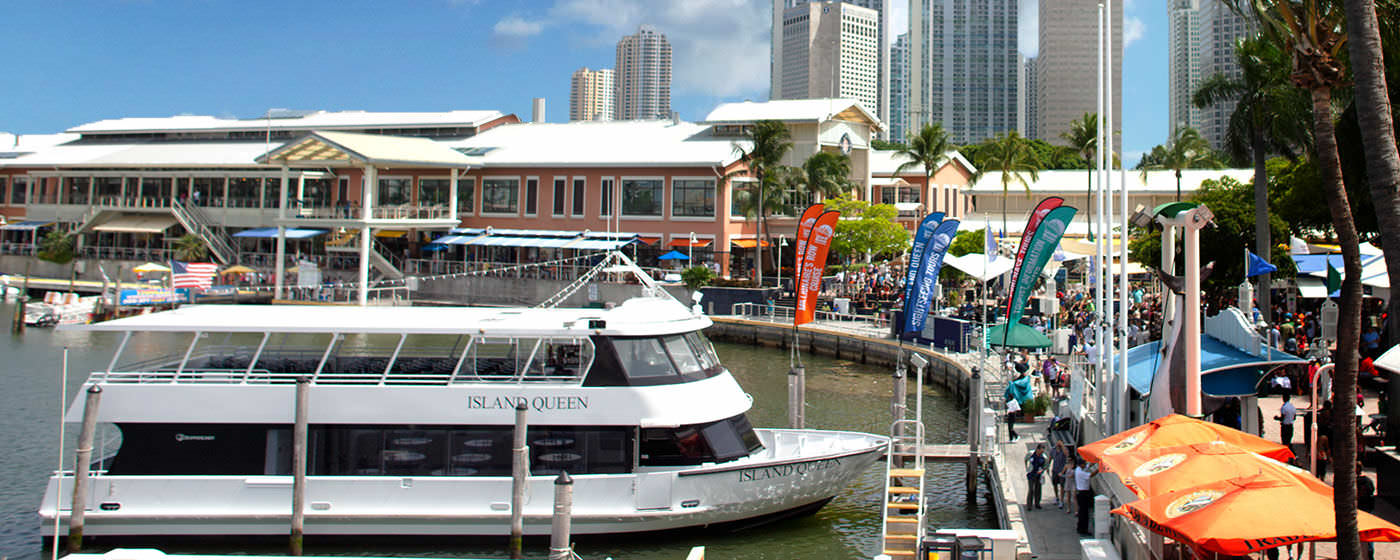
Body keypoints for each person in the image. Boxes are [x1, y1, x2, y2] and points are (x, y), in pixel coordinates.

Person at [1075, 456, 1094, 536]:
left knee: (1082, 511)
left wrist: (1095, 462)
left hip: (1082, 493)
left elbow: (1088, 466)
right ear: (1081, 465)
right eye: (1084, 464)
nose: (1085, 465)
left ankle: (1080, 527)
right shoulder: (1080, 473)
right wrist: (1099, 470)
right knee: (1084, 513)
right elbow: (1091, 475)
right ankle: (1083, 529)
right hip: (1083, 494)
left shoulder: (1079, 469)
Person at [1050, 442, 1070, 509]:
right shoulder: (1053, 450)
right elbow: (1050, 458)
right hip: (1055, 470)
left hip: (1062, 470)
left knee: (1062, 486)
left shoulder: (1064, 449)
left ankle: (1061, 500)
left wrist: (1062, 446)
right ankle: (1056, 497)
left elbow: (1067, 454)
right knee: (1055, 484)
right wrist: (1047, 466)